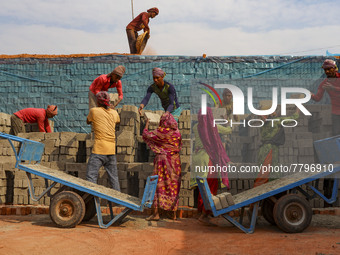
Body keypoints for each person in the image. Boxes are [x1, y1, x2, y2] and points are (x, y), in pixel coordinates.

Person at [191, 107, 231, 223]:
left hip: (197, 157)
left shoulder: (195, 127)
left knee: (201, 186)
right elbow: (228, 130)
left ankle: (200, 211)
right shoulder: (213, 127)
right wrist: (227, 121)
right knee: (210, 185)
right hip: (207, 158)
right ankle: (204, 214)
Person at [142, 112, 182, 221]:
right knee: (173, 185)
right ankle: (173, 214)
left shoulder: (161, 132)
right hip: (175, 162)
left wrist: (147, 123)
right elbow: (179, 146)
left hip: (162, 162)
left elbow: (146, 135)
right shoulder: (177, 133)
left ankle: (155, 214)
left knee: (157, 185)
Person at [86, 91, 120, 191]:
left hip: (99, 150)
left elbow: (88, 121)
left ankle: (91, 202)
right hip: (111, 151)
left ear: (98, 101)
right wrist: (111, 110)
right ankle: (120, 204)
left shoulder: (94, 111)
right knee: (114, 179)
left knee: (91, 177)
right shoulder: (114, 113)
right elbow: (118, 121)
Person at [311, 59, 340, 136]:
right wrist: (309, 94)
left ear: (335, 69)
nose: (327, 72)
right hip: (336, 113)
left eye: (329, 69)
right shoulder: (324, 83)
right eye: (325, 69)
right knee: (336, 134)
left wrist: (333, 88)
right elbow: (317, 98)